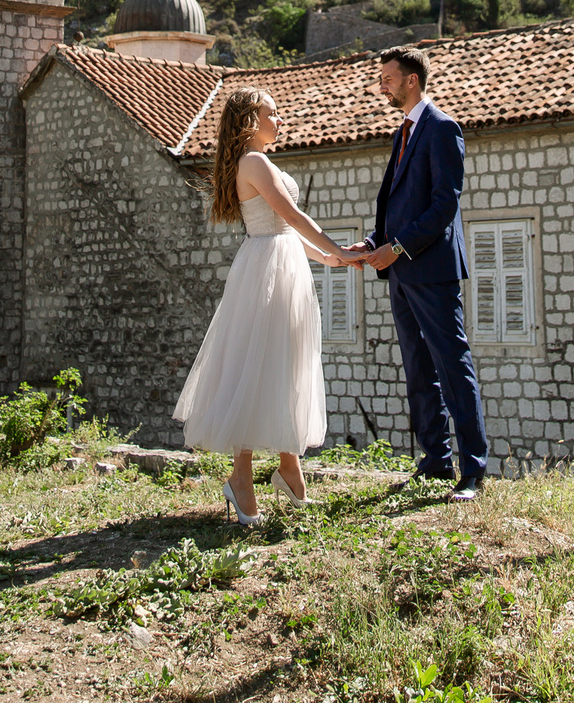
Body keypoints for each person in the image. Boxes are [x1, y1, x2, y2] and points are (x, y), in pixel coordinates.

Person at [172, 85, 356, 525]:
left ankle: (289, 466)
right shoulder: (253, 161)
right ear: (250, 121)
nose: (280, 120)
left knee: (283, 359)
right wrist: (339, 250)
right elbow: (290, 218)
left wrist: (326, 257)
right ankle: (242, 477)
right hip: (268, 269)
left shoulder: (258, 160)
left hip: (281, 261)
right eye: (272, 113)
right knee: (256, 364)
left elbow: (284, 229)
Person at [343, 47, 489, 498]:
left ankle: (474, 471)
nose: (381, 84)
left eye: (387, 77)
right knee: (417, 368)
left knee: (452, 365)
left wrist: (398, 247)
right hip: (402, 274)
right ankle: (435, 462)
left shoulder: (443, 128)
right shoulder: (402, 132)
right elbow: (398, 205)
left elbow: (445, 204)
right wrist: (372, 242)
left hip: (432, 269)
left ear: (411, 81)